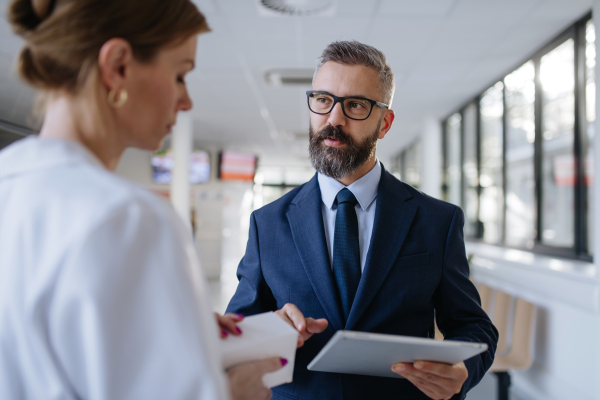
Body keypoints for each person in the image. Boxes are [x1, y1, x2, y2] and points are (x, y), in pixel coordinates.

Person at [0, 1, 284, 399]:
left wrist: (184, 330)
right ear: (118, 66)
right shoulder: (129, 217)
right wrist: (233, 390)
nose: (186, 101)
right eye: (180, 75)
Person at [226, 41, 498, 400]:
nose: (334, 119)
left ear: (384, 123)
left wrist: (463, 371)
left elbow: (472, 324)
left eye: (355, 105)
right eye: (323, 100)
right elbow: (237, 330)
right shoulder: (268, 223)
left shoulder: (438, 221)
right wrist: (268, 331)